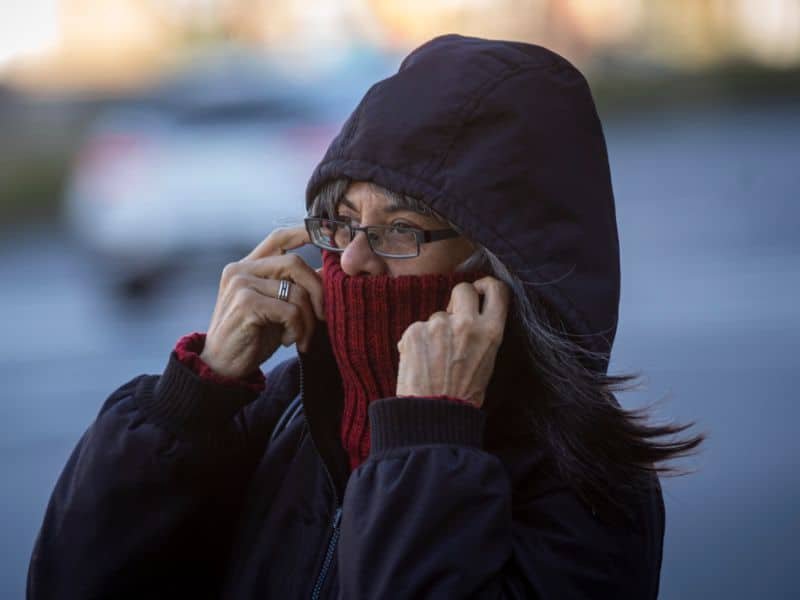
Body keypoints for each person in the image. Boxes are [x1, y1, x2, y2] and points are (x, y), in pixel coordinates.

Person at [28, 35, 702, 599]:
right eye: (342, 222)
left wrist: (429, 444)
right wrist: (188, 404)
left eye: (399, 230)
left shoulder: (587, 479)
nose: (351, 263)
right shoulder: (289, 412)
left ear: (502, 266)